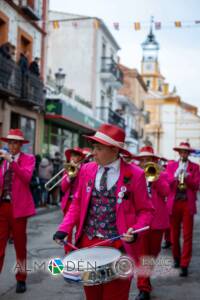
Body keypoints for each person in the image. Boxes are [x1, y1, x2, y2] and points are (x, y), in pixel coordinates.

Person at [53, 123, 154, 300]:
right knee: (92, 295)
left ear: (114, 150)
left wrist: (135, 231)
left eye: (99, 148)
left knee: (115, 296)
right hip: (88, 244)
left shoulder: (135, 174)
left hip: (119, 246)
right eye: (94, 147)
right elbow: (77, 203)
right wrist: (64, 229)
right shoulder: (86, 170)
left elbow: (146, 210)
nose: (93, 152)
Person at [0, 129, 35, 293]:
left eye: (15, 142)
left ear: (21, 145)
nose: (11, 145)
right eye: (9, 142)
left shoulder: (29, 159)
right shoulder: (2, 160)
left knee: (20, 246)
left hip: (18, 208)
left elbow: (26, 177)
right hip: (2, 207)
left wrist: (12, 161)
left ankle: (21, 278)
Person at [132, 146, 170, 300]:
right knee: (141, 256)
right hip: (140, 222)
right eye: (142, 159)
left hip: (157, 222)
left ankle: (145, 281)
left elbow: (166, 192)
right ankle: (143, 288)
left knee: (152, 255)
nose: (144, 162)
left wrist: (155, 178)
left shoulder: (163, 174)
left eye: (147, 159)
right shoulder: (134, 175)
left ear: (153, 160)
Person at [166, 142, 200, 277]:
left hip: (187, 203)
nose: (184, 154)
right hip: (174, 203)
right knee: (174, 234)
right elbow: (167, 185)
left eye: (186, 152)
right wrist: (175, 176)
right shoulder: (171, 166)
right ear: (179, 152)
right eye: (182, 152)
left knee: (187, 235)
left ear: (188, 153)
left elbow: (196, 186)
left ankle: (185, 264)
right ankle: (176, 258)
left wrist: (188, 177)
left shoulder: (195, 167)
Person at [61, 147, 87, 253]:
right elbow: (63, 188)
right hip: (68, 202)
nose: (73, 158)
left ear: (81, 157)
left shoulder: (86, 169)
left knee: (80, 229)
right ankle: (67, 251)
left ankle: (77, 250)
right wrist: (70, 176)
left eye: (76, 155)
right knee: (68, 230)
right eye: (72, 156)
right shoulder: (69, 168)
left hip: (81, 203)